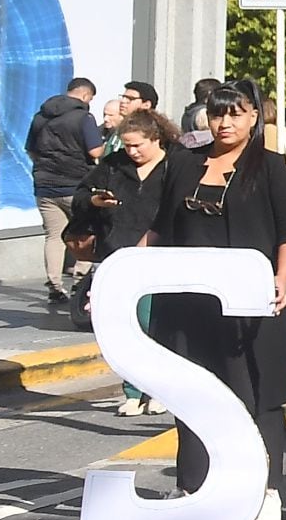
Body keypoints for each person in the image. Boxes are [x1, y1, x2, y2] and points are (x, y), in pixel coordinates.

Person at [136, 85, 286, 520]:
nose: (224, 123)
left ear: (254, 118)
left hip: (251, 305)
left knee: (259, 394)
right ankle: (190, 483)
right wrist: (125, 271)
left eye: (235, 114)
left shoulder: (272, 169)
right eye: (217, 114)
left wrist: (281, 279)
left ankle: (267, 489)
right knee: (191, 392)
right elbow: (160, 228)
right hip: (188, 304)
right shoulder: (183, 163)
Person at [92, 106, 182, 412]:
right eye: (126, 145)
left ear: (155, 139)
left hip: (161, 257)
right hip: (121, 254)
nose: (131, 152)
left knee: (156, 324)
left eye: (137, 145)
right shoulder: (114, 165)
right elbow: (83, 194)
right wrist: (95, 200)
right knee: (128, 326)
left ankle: (161, 390)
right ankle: (132, 391)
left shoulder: (175, 167)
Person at [27, 75, 108, 310]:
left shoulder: (41, 116)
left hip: (44, 184)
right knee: (84, 231)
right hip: (76, 184)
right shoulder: (83, 117)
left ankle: (54, 286)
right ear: (85, 95)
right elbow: (95, 151)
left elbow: (31, 150)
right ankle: (80, 282)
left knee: (53, 236)